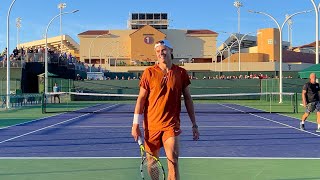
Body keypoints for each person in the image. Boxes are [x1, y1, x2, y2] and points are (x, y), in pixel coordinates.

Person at [131, 39, 200, 180]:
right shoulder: (148, 72)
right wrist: (135, 124)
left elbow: (188, 99)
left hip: (171, 125)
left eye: (163, 50)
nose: (160, 53)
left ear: (170, 51)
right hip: (151, 126)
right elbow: (141, 99)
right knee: (152, 163)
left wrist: (194, 124)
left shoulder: (181, 73)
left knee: (173, 161)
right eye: (157, 51)